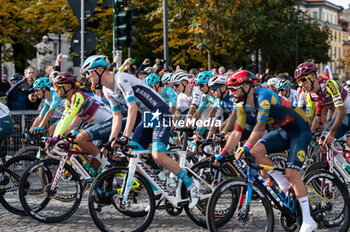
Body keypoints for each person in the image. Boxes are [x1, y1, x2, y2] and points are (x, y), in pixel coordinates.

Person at [81, 55, 200, 208]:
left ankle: (191, 185)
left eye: (88, 73)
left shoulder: (120, 79)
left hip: (160, 112)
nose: (87, 77)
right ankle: (157, 191)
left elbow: (132, 108)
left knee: (158, 156)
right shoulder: (107, 90)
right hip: (148, 116)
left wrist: (124, 136)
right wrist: (111, 141)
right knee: (132, 157)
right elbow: (117, 116)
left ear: (99, 70)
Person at [227, 69, 316, 232]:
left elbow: (260, 126)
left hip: (300, 130)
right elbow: (237, 132)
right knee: (256, 152)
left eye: (234, 89)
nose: (231, 93)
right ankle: (282, 183)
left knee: (292, 174)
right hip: (283, 130)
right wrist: (224, 152)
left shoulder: (263, 96)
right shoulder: (242, 106)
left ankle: (309, 220)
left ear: (246, 87)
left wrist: (246, 147)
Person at [46, 72, 113, 172]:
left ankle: (108, 166)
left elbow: (70, 117)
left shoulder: (77, 96)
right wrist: (55, 136)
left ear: (68, 86)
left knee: (81, 138)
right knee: (93, 166)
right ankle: (110, 180)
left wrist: (58, 136)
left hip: (111, 122)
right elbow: (63, 120)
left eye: (58, 87)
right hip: (102, 125)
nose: (56, 90)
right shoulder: (68, 102)